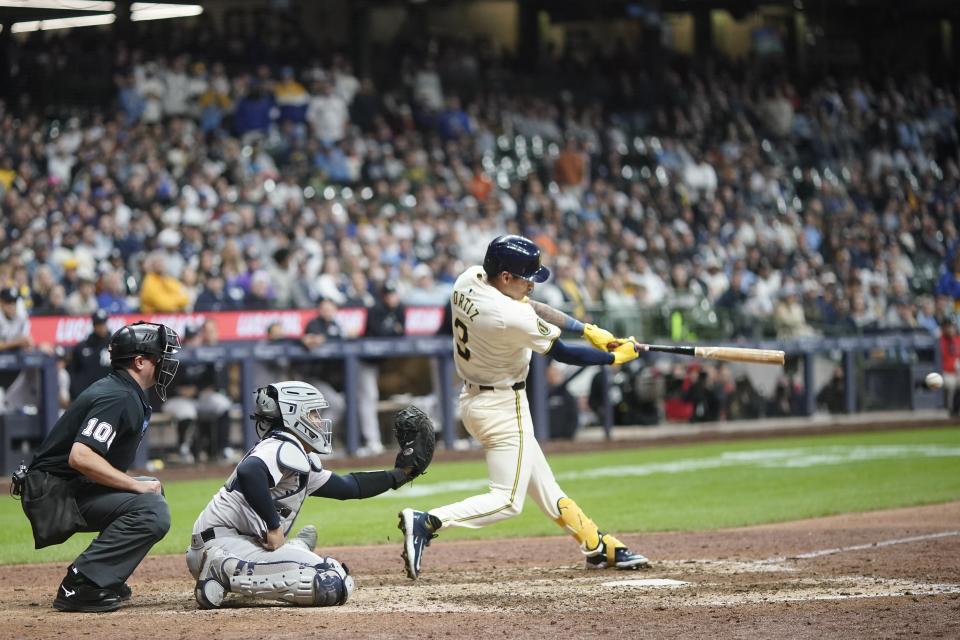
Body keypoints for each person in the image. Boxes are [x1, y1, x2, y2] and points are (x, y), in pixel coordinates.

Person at [398, 234, 650, 580]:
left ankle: (596, 544)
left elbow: (532, 307)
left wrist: (585, 328)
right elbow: (564, 353)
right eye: (526, 278)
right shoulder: (506, 315)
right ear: (505, 278)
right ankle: (427, 522)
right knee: (508, 500)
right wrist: (613, 357)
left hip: (476, 399)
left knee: (543, 485)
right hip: (503, 406)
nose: (531, 285)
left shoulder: (468, 278)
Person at [187, 380, 428, 609]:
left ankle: (290, 551)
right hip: (222, 546)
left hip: (230, 542)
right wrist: (274, 527)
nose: (320, 421)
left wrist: (401, 474)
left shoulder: (293, 453)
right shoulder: (283, 444)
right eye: (313, 413)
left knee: (329, 576)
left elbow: (349, 487)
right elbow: (250, 471)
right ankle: (221, 571)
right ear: (294, 415)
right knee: (331, 583)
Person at [15, 321, 181, 612]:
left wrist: (140, 486)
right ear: (140, 361)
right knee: (151, 507)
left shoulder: (123, 390)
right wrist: (135, 485)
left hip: (65, 487)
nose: (166, 362)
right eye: (160, 355)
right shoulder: (118, 396)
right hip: (54, 494)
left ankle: (105, 577)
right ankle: (81, 583)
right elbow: (80, 457)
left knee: (153, 494)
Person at [68, 310, 113, 401]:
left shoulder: (114, 346)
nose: (101, 327)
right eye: (98, 324)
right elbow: (73, 371)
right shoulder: (82, 347)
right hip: (87, 395)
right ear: (94, 326)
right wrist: (76, 393)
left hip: (109, 394)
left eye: (103, 324)